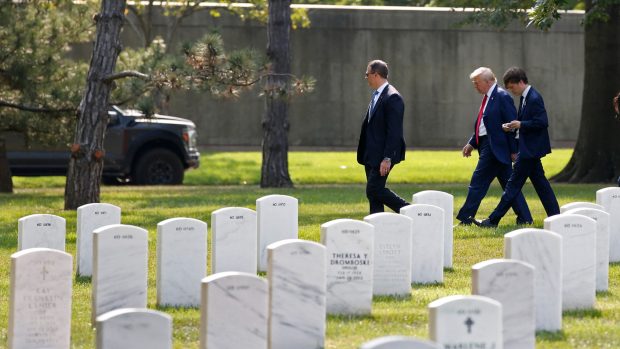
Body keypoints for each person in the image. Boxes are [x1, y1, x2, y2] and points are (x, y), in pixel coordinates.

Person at [476, 67, 560, 227]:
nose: (512, 91)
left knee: (512, 187)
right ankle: (556, 217)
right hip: (529, 150)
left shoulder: (534, 98)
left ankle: (492, 220)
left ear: (521, 82)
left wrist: (521, 124)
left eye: (512, 87)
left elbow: (542, 122)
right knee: (542, 186)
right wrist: (514, 126)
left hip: (529, 151)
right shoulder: (525, 97)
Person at [456, 67, 532, 226]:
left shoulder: (502, 96)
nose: (475, 86)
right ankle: (525, 217)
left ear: (488, 81)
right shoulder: (488, 98)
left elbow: (511, 125)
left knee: (477, 183)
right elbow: (484, 125)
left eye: (477, 83)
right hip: (488, 146)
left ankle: (465, 218)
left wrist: (513, 150)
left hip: (495, 148)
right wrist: (472, 142)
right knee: (509, 185)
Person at [357, 59, 409, 214]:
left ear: (376, 75)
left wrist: (387, 158)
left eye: (367, 74)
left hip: (383, 156)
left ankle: (411, 211)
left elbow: (394, 132)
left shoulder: (393, 97)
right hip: (371, 155)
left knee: (374, 190)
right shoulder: (377, 95)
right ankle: (377, 226)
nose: (365, 77)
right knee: (374, 196)